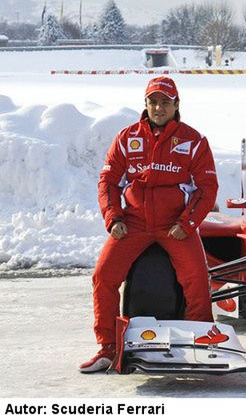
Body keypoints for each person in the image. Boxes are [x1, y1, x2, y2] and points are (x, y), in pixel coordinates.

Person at [79, 77, 218, 373]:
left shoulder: (194, 141)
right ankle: (108, 347)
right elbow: (108, 182)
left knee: (196, 278)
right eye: (153, 102)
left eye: (165, 102)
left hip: (175, 224)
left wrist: (188, 222)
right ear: (145, 104)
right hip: (134, 222)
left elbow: (207, 187)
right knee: (103, 276)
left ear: (176, 105)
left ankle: (203, 342)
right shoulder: (127, 138)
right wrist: (113, 217)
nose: (158, 108)